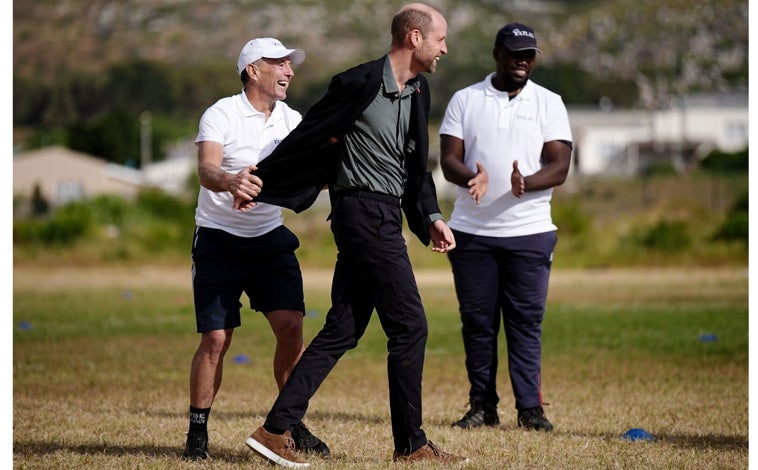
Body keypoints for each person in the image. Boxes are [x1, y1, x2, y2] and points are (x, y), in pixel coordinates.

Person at [238, 3, 467, 467]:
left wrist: (431, 218)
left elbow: (415, 169)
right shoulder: (357, 83)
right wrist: (260, 180)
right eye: (440, 38)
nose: (445, 47)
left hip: (386, 214)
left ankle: (274, 429)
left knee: (343, 328)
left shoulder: (419, 91)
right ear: (414, 38)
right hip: (359, 212)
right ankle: (411, 444)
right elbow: (307, 136)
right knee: (410, 325)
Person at [182, 37, 329, 461]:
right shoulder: (222, 113)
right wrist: (231, 182)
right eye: (280, 64)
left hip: (269, 240)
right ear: (253, 70)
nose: (289, 72)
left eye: (290, 64)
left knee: (292, 328)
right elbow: (207, 168)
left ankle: (289, 423)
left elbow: (309, 175)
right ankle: (197, 433)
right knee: (216, 338)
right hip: (217, 240)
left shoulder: (292, 120)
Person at [439, 22, 573, 432]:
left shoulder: (549, 102)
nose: (523, 61)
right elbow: (449, 160)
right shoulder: (465, 99)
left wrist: (525, 183)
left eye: (529, 54)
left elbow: (560, 165)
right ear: (497, 53)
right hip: (472, 233)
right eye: (515, 53)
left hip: (530, 232)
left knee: (525, 324)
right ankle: (482, 406)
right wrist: (469, 178)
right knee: (477, 324)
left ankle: (530, 410)